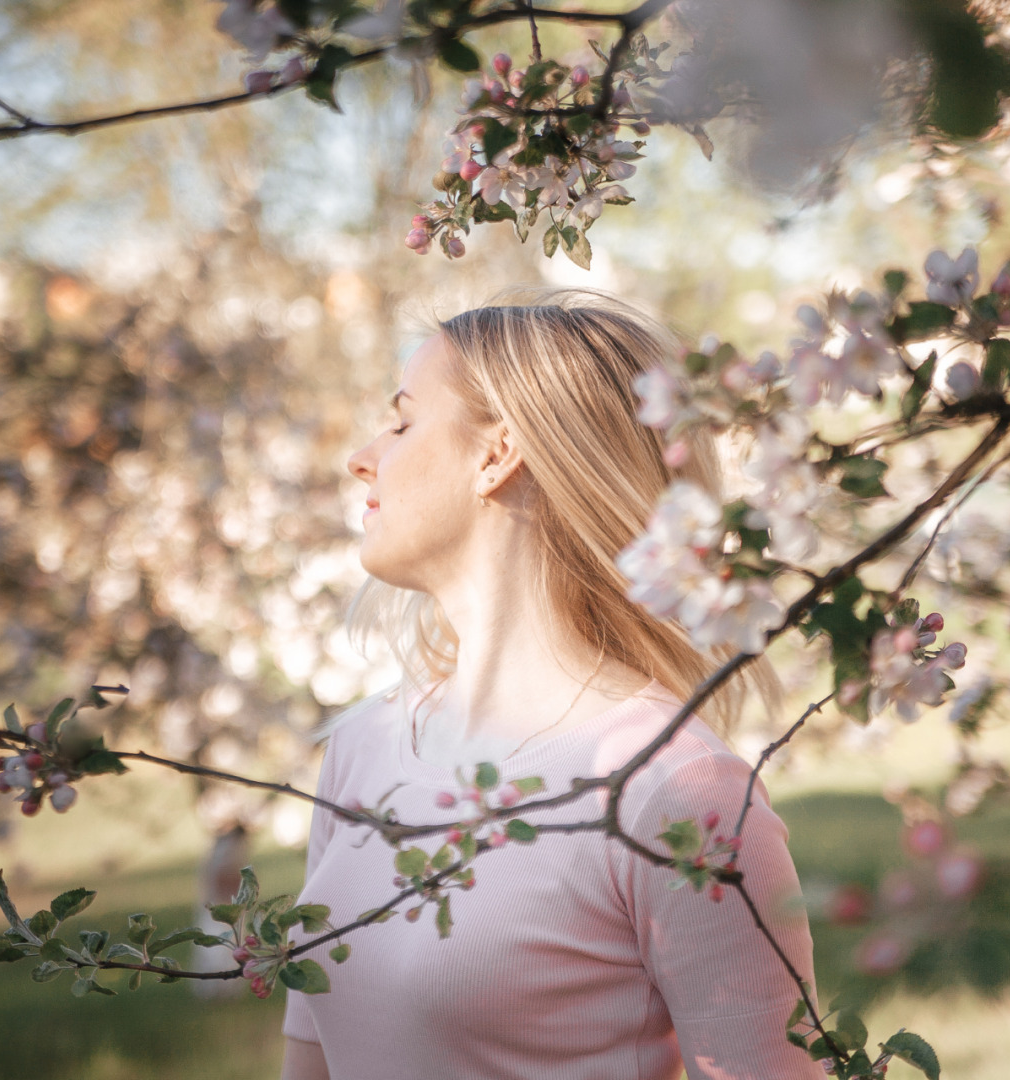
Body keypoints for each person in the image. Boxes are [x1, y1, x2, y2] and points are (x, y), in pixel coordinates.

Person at [279, 290, 817, 1080]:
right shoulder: (362, 748)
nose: (363, 455)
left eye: (400, 421)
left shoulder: (675, 790)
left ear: (496, 453)